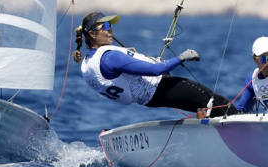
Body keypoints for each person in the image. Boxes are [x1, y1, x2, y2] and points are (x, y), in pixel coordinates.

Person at [73, 12, 237, 118]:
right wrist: (181, 57)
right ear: (92, 34)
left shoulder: (87, 63)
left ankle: (207, 131)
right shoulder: (110, 57)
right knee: (219, 103)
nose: (111, 30)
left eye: (111, 26)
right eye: (106, 26)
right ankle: (241, 120)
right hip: (159, 88)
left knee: (202, 106)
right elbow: (156, 70)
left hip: (149, 99)